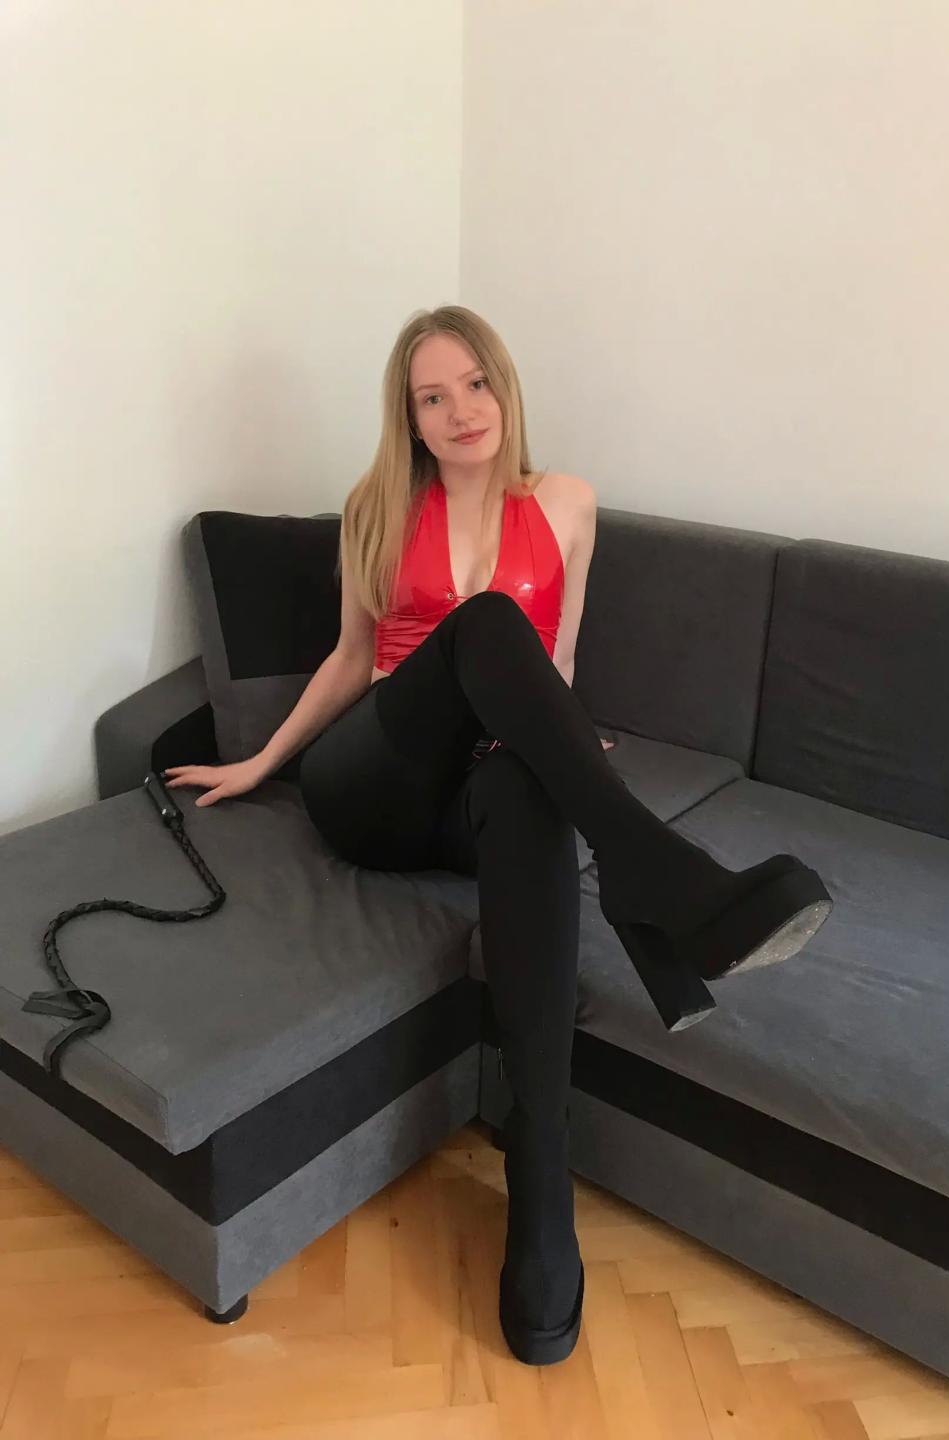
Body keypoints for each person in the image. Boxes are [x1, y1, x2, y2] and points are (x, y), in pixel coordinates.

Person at [161, 304, 834, 1366]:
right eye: (432, 397)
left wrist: (566, 756)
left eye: (474, 384)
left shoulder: (567, 504)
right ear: (410, 419)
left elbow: (554, 666)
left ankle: (541, 1190)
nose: (460, 410)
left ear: (505, 387)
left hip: (477, 792)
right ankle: (664, 879)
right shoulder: (377, 509)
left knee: (527, 787)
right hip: (372, 783)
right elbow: (350, 660)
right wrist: (259, 762)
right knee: (483, 620)